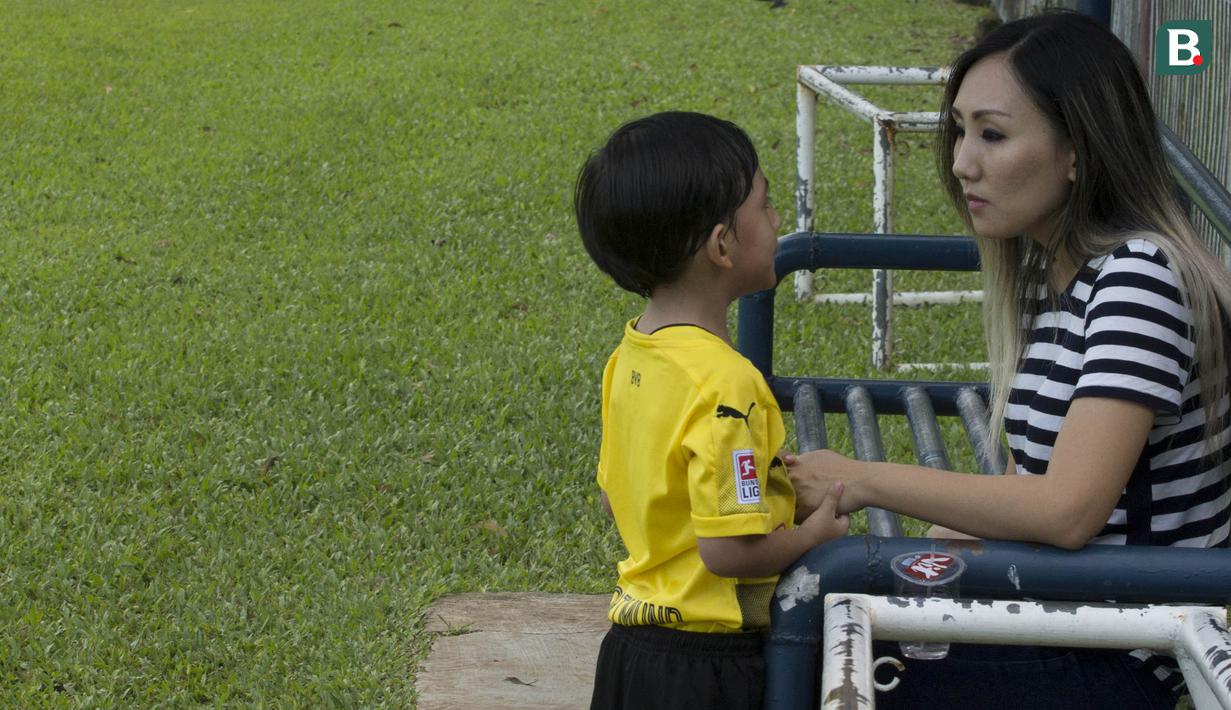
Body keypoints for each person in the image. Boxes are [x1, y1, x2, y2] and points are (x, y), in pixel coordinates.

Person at [787, 11, 1231, 710]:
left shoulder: (1139, 279)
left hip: (1118, 653)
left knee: (800, 662)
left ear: (1076, 151)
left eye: (992, 134)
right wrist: (913, 572)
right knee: (810, 620)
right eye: (961, 129)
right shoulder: (1052, 273)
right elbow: (1026, 479)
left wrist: (861, 479)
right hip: (1056, 617)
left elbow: (1065, 511)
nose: (963, 160)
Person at [574, 111, 850, 710]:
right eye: (766, 205)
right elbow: (728, 551)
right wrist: (813, 535)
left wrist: (763, 480)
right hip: (708, 666)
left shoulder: (631, 354)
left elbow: (614, 492)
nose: (778, 221)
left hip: (630, 651)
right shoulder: (728, 383)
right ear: (722, 245)